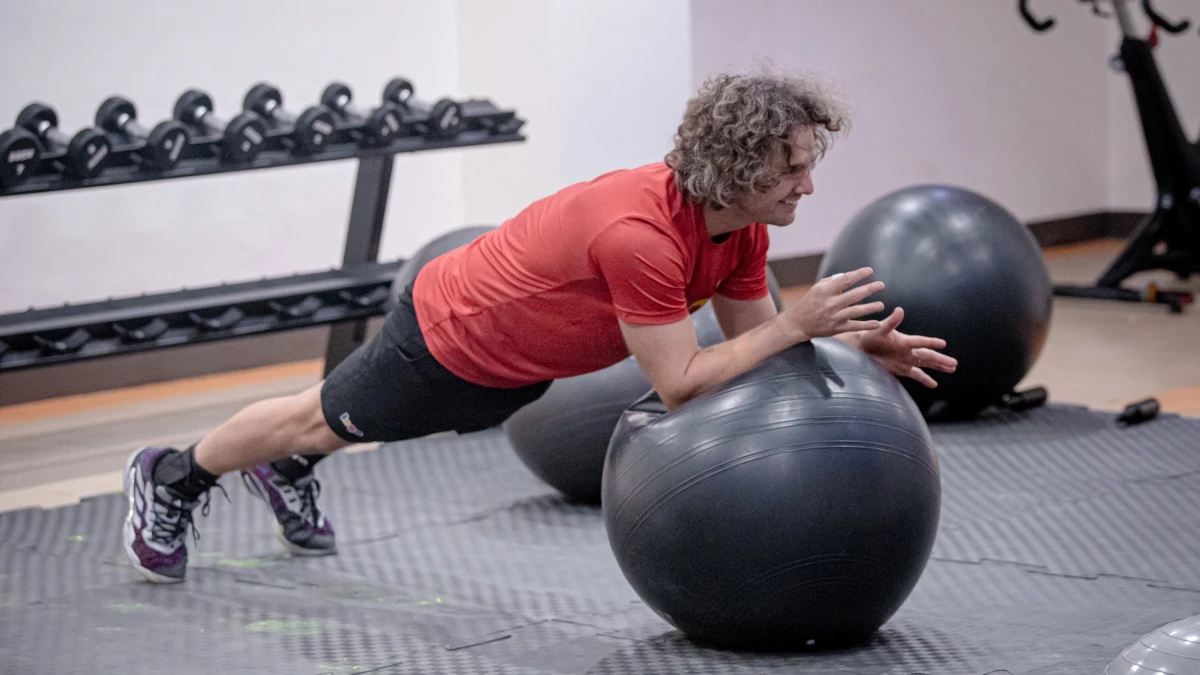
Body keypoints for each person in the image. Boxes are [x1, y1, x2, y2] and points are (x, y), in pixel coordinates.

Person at [122, 72, 957, 584]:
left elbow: (761, 344)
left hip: (519, 366)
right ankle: (172, 477)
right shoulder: (642, 236)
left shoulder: (740, 229)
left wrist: (848, 343)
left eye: (811, 162)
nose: (808, 184)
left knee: (353, 421)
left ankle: (292, 465)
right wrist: (804, 323)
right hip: (450, 333)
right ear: (737, 167)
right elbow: (681, 380)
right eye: (793, 166)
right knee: (323, 412)